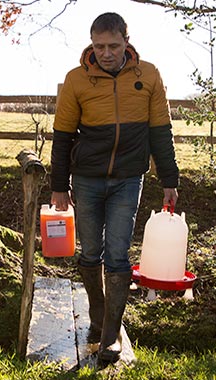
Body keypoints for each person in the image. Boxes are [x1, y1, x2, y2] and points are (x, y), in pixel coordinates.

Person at [50, 12, 179, 362]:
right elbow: (62, 137)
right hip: (87, 179)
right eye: (99, 46)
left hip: (128, 179)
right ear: (92, 44)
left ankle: (110, 336)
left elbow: (160, 132)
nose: (106, 53)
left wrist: (170, 179)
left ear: (127, 40)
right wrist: (59, 186)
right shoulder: (77, 79)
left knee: (118, 254)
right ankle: (96, 316)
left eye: (113, 45)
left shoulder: (149, 75)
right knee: (91, 252)